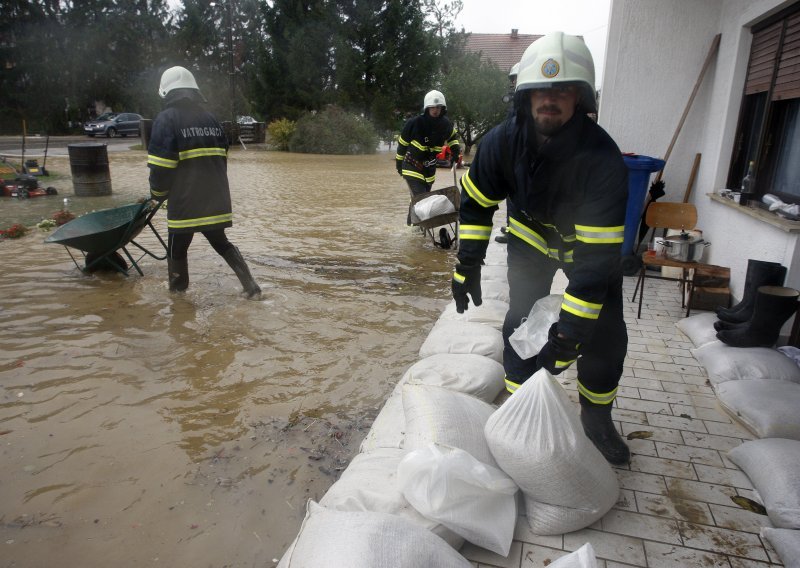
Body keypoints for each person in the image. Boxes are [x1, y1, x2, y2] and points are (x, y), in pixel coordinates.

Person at [450, 32, 630, 465]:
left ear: (580, 98)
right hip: (531, 238)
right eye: (541, 89)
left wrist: (570, 333)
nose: (551, 99)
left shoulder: (603, 159)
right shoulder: (500, 142)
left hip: (587, 251)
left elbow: (594, 263)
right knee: (520, 321)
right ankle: (518, 409)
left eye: (564, 89)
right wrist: (467, 264)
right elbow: (476, 204)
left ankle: (597, 419)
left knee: (604, 335)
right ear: (525, 96)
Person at [147, 66, 261, 298]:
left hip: (185, 203)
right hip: (216, 200)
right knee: (221, 243)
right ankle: (252, 288)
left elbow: (160, 168)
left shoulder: (166, 120)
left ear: (166, 92)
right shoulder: (211, 119)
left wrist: (157, 195)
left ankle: (178, 299)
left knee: (176, 249)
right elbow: (222, 160)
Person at [395, 90, 461, 225]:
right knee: (420, 199)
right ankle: (415, 230)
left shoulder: (446, 124)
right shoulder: (414, 123)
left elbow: (453, 138)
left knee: (420, 200)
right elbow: (402, 145)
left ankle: (413, 227)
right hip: (411, 166)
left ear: (442, 108)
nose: (435, 110)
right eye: (432, 107)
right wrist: (398, 163)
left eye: (438, 107)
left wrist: (455, 152)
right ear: (427, 108)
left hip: (429, 170)